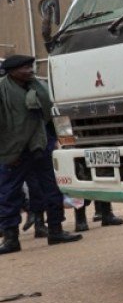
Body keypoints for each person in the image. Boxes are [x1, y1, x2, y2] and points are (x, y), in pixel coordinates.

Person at [1, 55, 84, 253]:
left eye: (30, 67)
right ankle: (11, 239)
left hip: (40, 145)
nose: (29, 71)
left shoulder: (38, 86)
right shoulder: (3, 90)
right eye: (24, 68)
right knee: (8, 193)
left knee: (51, 189)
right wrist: (9, 149)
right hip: (13, 150)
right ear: (12, 71)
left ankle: (56, 230)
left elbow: (49, 112)